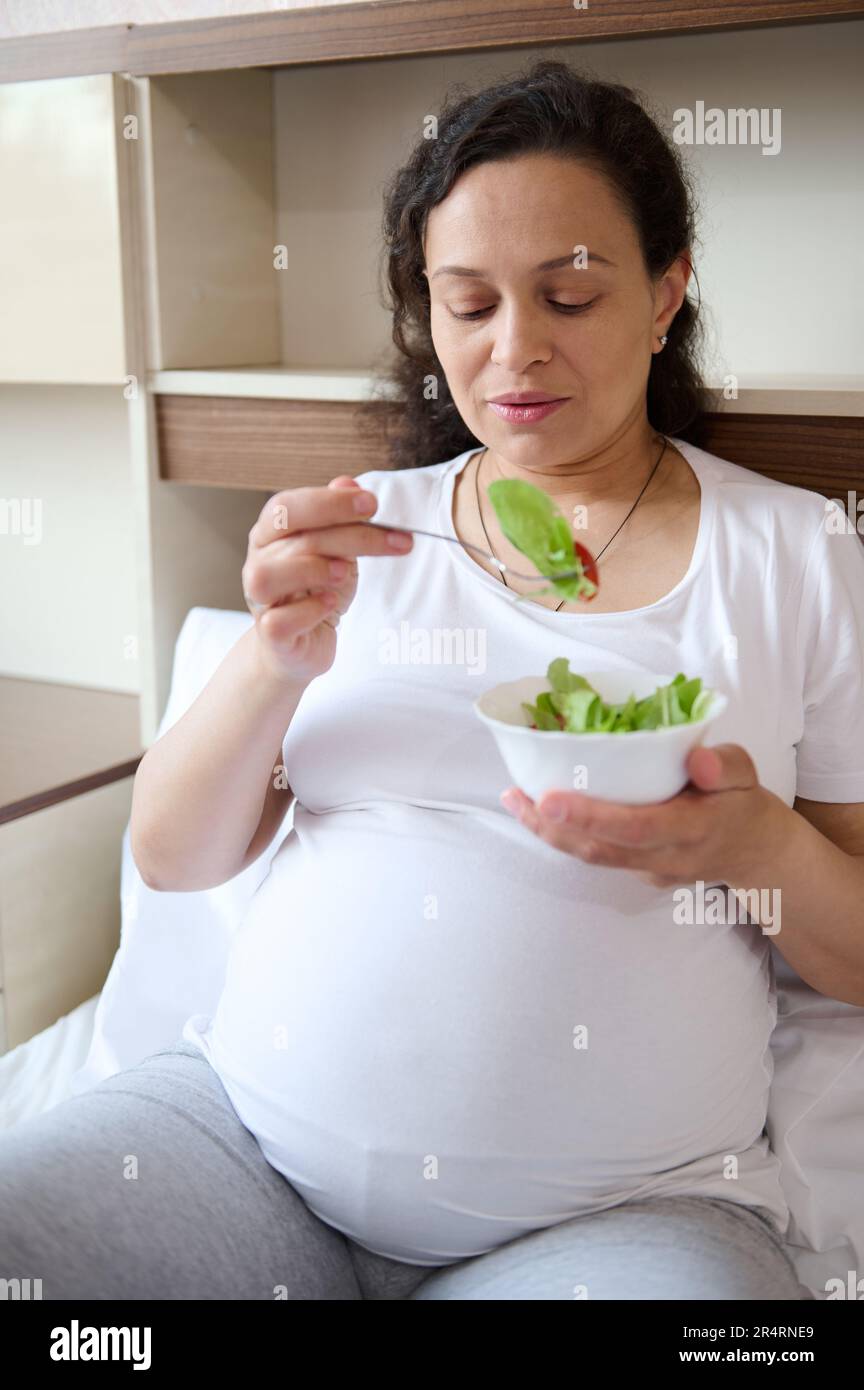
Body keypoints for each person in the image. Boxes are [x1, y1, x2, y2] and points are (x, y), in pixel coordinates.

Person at [7, 57, 861, 1301]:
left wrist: (757, 849)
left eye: (570, 295)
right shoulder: (357, 536)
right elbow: (175, 857)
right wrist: (271, 659)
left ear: (668, 292)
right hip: (246, 1144)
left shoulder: (797, 551)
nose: (517, 350)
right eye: (468, 305)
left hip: (629, 1215)